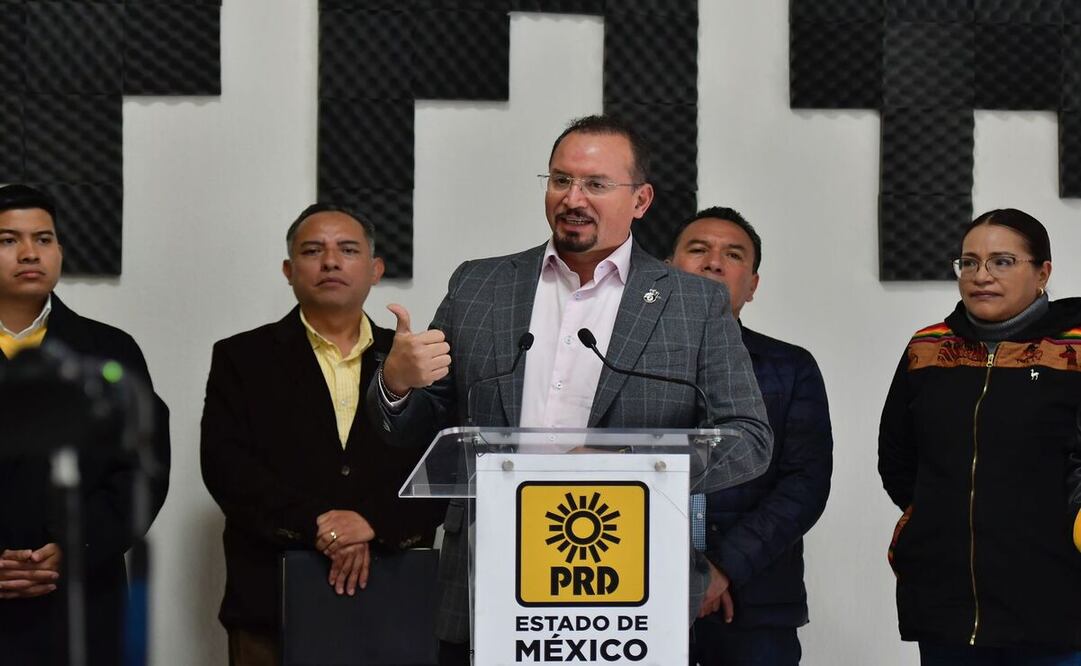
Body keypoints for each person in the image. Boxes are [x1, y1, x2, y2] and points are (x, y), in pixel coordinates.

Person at [368, 115, 773, 665]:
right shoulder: (479, 286)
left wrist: (626, 461)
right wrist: (396, 384)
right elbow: (420, 426)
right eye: (560, 180)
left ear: (641, 199)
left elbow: (748, 438)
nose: (572, 198)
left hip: (631, 587)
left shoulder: (692, 303)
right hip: (491, 579)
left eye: (596, 184)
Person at [200, 203, 444, 666]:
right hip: (270, 598)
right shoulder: (242, 358)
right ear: (289, 271)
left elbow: (439, 465)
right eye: (313, 251)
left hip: (395, 592)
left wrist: (372, 522)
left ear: (376, 270)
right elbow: (226, 467)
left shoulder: (415, 357)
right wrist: (323, 525)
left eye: (347, 250)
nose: (330, 261)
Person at [879, 209, 1081, 664]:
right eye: (968, 262)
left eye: (1002, 261)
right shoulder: (927, 348)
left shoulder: (1076, 348)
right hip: (946, 606)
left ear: (1043, 272)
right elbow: (898, 459)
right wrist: (935, 521)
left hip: (1056, 607)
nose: (980, 275)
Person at [0, 183, 171, 665]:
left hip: (83, 597)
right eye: (8, 240)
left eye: (44, 239)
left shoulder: (109, 350)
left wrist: (79, 545)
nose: (29, 252)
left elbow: (144, 469)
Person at [669, 207, 833, 665]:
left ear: (753, 285)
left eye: (733, 254)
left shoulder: (791, 367)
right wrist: (679, 574)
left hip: (754, 599)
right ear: (665, 270)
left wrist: (720, 569)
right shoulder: (622, 365)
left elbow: (805, 484)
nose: (713, 262)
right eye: (697, 250)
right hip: (643, 593)